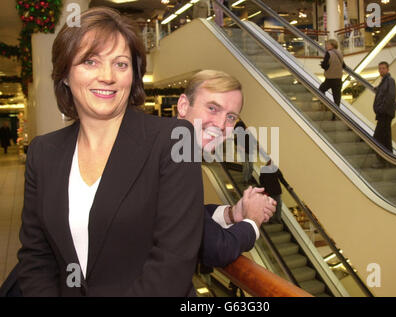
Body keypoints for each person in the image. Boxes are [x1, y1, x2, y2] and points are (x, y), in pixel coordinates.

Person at [16, 7, 204, 297]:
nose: (107, 76)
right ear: (65, 74)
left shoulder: (174, 141)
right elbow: (35, 259)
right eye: (90, 61)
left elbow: (173, 262)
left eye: (120, 64)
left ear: (134, 75)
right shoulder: (43, 152)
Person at [176, 70, 277, 269]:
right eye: (212, 108)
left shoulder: (177, 148)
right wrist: (253, 220)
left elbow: (184, 215)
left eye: (231, 117)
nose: (221, 125)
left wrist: (233, 214)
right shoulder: (176, 160)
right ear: (183, 105)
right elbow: (217, 249)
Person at [371, 61, 396, 168]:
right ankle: (390, 161)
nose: (381, 70)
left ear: (387, 69)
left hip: (385, 113)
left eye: (383, 68)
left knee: (377, 138)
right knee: (386, 138)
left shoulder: (390, 80)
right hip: (383, 113)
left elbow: (390, 96)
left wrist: (381, 109)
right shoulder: (383, 81)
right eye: (380, 68)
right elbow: (383, 93)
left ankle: (382, 161)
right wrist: (377, 89)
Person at [319, 39, 345, 120]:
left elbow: (325, 66)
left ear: (332, 45)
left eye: (327, 45)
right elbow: (344, 66)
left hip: (330, 79)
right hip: (338, 79)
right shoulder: (340, 53)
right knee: (337, 98)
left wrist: (322, 64)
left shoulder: (328, 53)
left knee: (321, 90)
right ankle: (335, 116)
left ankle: (326, 105)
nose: (326, 46)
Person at [234, 120, 255, 186]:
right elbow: (236, 141)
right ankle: (245, 180)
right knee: (246, 167)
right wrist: (240, 147)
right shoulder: (239, 134)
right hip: (243, 153)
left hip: (250, 151)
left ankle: (248, 179)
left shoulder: (248, 133)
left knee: (251, 167)